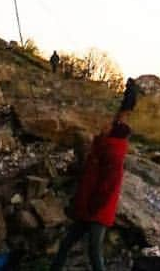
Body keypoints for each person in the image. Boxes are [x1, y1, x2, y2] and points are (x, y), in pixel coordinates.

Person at [50, 114, 131, 271]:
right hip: (88, 207)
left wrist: (94, 206)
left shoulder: (113, 154)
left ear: (112, 132)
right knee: (68, 243)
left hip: (97, 210)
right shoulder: (102, 147)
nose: (103, 126)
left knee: (93, 249)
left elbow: (108, 186)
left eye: (108, 126)